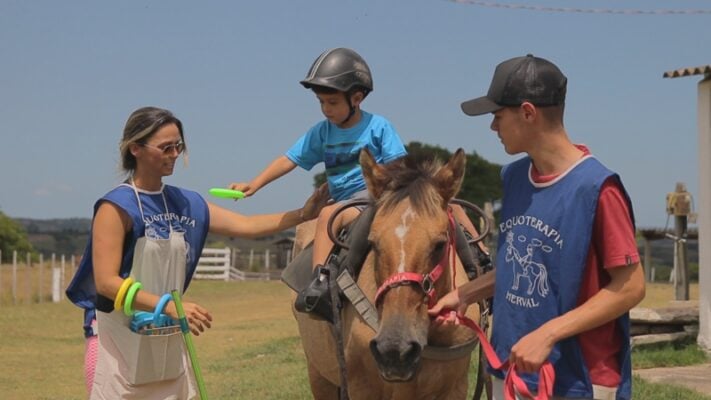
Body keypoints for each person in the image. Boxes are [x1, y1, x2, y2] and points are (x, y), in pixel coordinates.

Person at [66, 106, 329, 399]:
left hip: (165, 338)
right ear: (136, 149)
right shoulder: (115, 206)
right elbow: (106, 282)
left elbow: (248, 225)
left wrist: (304, 213)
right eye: (166, 147)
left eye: (179, 146)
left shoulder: (184, 202)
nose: (175, 154)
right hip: (117, 341)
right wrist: (167, 305)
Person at [428, 55, 645, 400]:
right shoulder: (514, 178)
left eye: (498, 116)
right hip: (510, 368)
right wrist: (463, 295)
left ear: (528, 113)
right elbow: (518, 266)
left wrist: (548, 334)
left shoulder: (597, 188)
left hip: (578, 381)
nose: (492, 128)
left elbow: (631, 287)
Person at [228, 48, 407, 277]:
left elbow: (399, 166)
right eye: (321, 102)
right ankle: (322, 280)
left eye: (332, 102)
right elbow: (288, 159)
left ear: (357, 99)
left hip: (373, 198)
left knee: (326, 216)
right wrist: (254, 184)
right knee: (329, 212)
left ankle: (318, 281)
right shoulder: (322, 132)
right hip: (342, 201)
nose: (325, 109)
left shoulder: (379, 127)